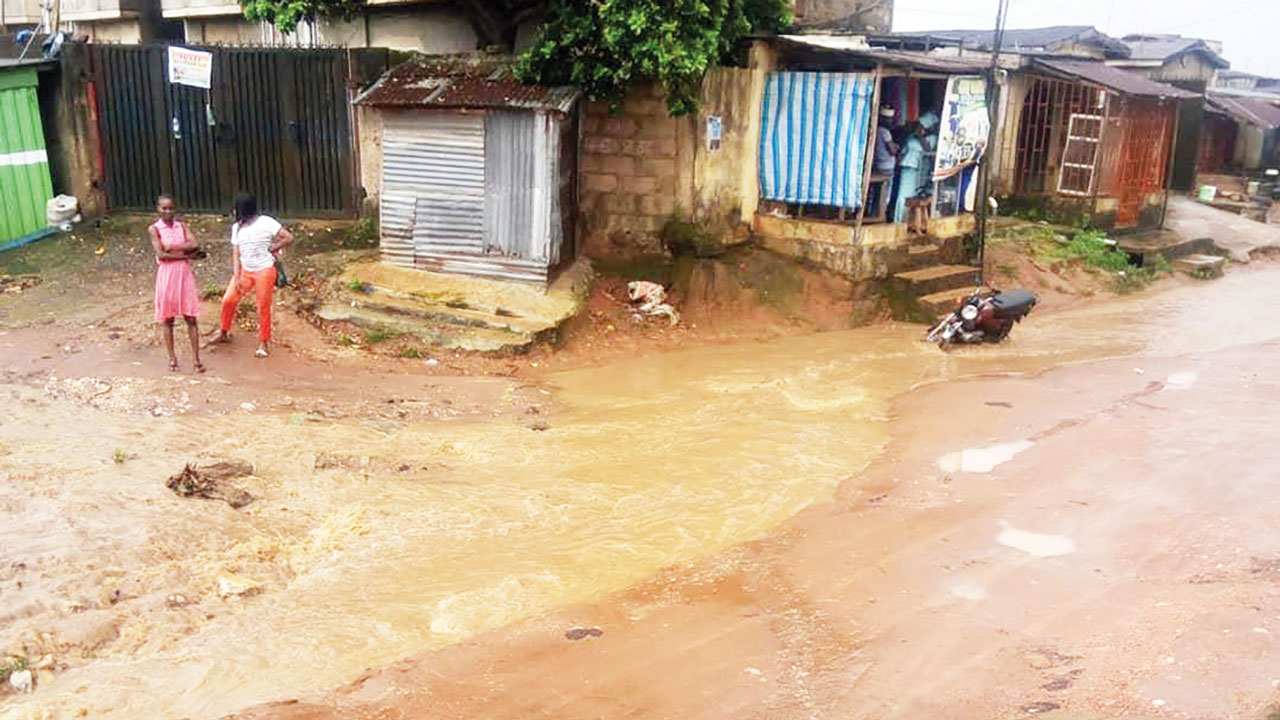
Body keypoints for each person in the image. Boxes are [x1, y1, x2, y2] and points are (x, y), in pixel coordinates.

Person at [209, 193, 294, 358]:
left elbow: (288, 237)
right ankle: (224, 331)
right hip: (245, 271)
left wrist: (274, 247)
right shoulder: (237, 227)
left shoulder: (267, 222)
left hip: (265, 270)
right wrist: (237, 274)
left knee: (262, 305)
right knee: (228, 299)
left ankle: (264, 341)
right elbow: (236, 253)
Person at [149, 195, 205, 373]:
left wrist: (171, 247)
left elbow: (195, 243)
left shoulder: (182, 226)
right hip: (167, 275)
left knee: (191, 317)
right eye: (164, 208)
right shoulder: (154, 229)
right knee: (168, 319)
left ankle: (196, 360)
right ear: (158, 209)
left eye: (170, 208)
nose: (167, 211)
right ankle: (172, 358)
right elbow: (161, 255)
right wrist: (186, 253)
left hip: (183, 274)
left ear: (175, 209)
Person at [894, 121, 929, 224]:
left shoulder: (931, 138)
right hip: (907, 167)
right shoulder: (911, 138)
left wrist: (921, 137)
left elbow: (928, 149)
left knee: (914, 196)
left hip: (920, 170)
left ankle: (909, 221)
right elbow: (903, 151)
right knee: (902, 196)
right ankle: (899, 220)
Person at [869, 105, 898, 215]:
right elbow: (892, 150)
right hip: (886, 166)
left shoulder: (875, 129)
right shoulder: (885, 132)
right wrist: (896, 147)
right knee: (885, 193)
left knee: (875, 192)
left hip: (877, 164)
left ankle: (873, 213)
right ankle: (882, 214)